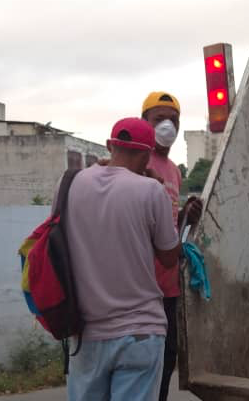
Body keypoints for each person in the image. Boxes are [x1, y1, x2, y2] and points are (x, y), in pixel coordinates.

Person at [61, 117, 181, 401]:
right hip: (140, 332)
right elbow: (169, 257)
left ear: (109, 145)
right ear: (147, 153)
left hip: (85, 332)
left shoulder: (70, 184)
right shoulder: (151, 190)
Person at [140, 91, 203, 401]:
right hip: (141, 284)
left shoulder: (174, 171)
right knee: (142, 363)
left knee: (167, 357)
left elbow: (169, 227)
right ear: (145, 123)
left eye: (174, 121)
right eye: (159, 119)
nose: (167, 126)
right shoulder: (138, 162)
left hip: (169, 285)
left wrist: (186, 216)